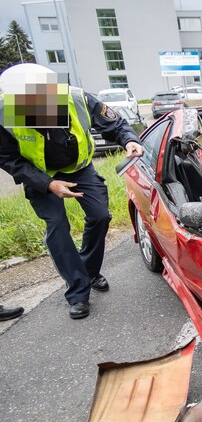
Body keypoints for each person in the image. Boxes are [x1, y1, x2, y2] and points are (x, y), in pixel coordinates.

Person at [0, 63, 144, 320]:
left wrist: (129, 139)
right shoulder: (4, 114)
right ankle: (78, 293)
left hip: (79, 168)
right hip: (41, 176)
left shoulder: (77, 97)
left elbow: (114, 122)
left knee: (100, 215)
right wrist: (47, 184)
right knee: (57, 225)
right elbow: (9, 159)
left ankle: (88, 271)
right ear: (17, 103)